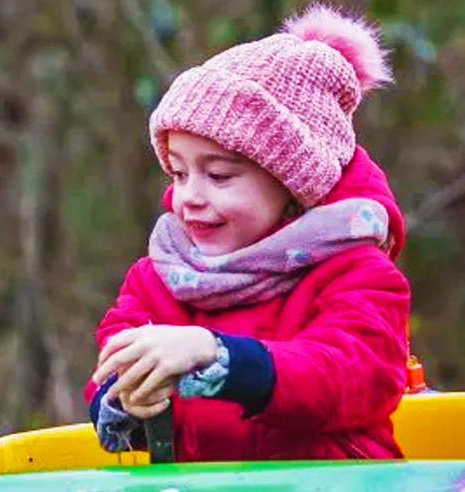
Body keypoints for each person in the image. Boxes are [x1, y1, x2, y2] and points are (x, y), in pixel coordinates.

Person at [85, 4, 411, 462]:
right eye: (178, 174)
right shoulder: (157, 280)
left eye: (218, 176)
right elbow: (111, 363)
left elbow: (348, 374)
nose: (190, 197)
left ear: (294, 182)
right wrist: (124, 401)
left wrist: (219, 356)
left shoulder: (357, 275)